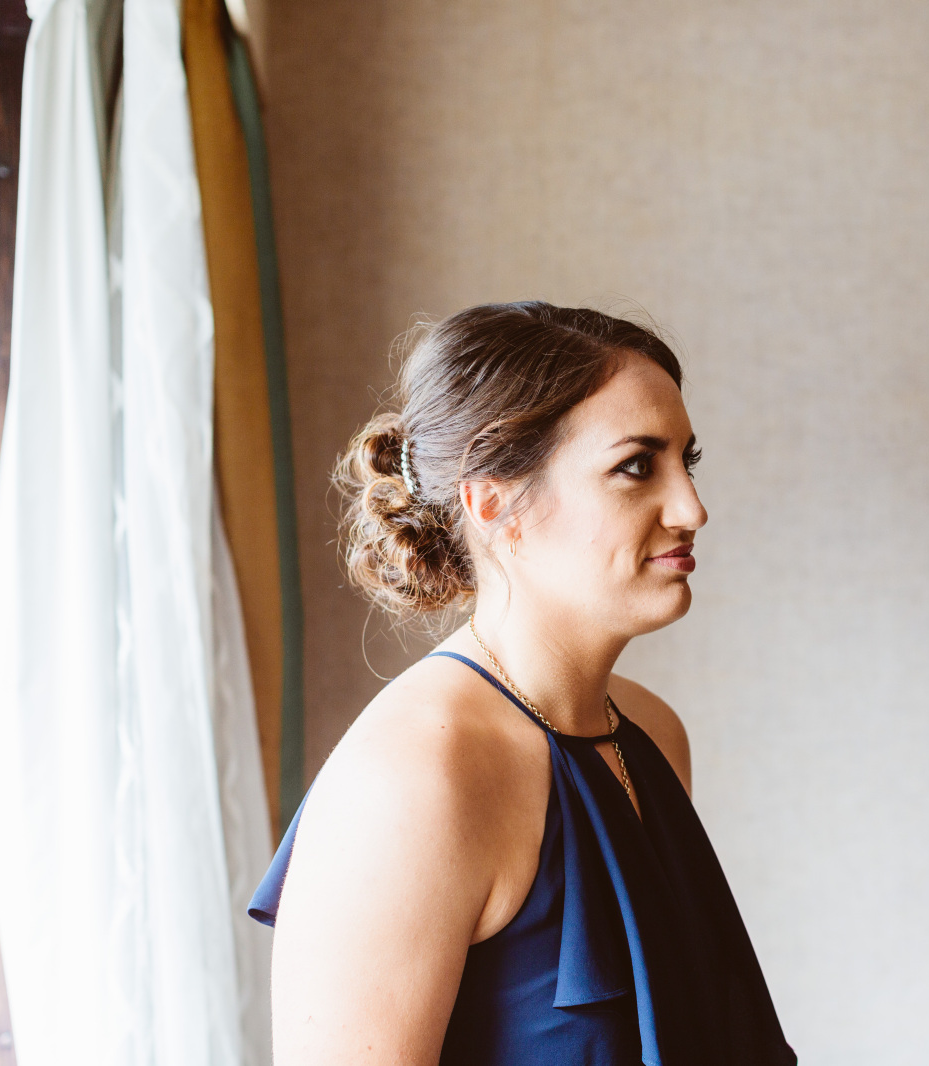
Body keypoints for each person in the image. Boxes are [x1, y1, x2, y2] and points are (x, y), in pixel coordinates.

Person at [248, 302, 794, 1065]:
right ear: (494, 502)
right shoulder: (414, 775)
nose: (691, 508)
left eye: (686, 462)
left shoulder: (653, 734)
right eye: (637, 466)